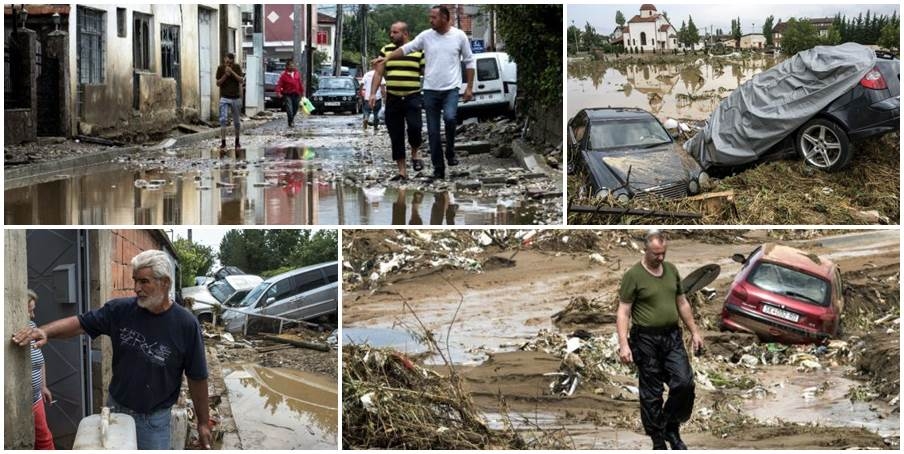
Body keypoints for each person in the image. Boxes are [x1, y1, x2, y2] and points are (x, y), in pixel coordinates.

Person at [12, 251, 212, 450]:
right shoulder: (120, 310)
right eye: (135, 281)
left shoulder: (186, 325)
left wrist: (203, 423)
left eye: (144, 282)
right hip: (115, 412)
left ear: (165, 283)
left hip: (154, 423)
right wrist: (45, 331)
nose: (136, 288)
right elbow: (81, 323)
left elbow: (197, 377)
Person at [616, 230, 703, 450]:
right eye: (656, 254)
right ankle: (658, 440)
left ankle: (670, 426)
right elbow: (623, 311)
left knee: (684, 382)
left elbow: (682, 303)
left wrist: (694, 332)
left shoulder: (672, 270)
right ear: (645, 249)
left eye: (663, 253)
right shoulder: (633, 275)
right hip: (645, 340)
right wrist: (624, 344)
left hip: (671, 336)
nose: (660, 258)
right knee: (652, 393)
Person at [378, 6, 475, 181]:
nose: (430, 21)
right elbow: (406, 49)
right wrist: (386, 58)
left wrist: (469, 87)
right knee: (432, 132)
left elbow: (469, 61)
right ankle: (439, 170)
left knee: (450, 118)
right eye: (430, 17)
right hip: (430, 90)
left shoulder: (459, 36)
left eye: (434, 17)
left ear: (445, 18)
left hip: (451, 89)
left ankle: (450, 152)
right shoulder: (426, 36)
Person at [370, 21, 426, 182]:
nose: (391, 35)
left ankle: (415, 153)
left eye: (395, 32)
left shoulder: (418, 51)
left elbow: (426, 72)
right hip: (393, 98)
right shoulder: (386, 50)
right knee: (396, 135)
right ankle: (402, 172)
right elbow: (378, 74)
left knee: (415, 128)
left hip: (413, 96)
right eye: (391, 32)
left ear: (405, 34)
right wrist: (373, 94)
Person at [27, 290, 55, 450]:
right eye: (29, 310)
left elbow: (40, 359)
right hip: (21, 403)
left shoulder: (32, 327)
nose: (33, 315)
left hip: (36, 398)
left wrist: (43, 386)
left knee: (44, 439)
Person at [216, 53, 244, 153]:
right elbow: (218, 83)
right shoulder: (220, 68)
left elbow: (241, 80)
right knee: (223, 119)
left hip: (235, 98)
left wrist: (232, 72)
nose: (229, 65)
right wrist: (225, 75)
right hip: (224, 97)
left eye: (231, 63)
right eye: (227, 62)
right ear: (224, 60)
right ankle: (223, 142)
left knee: (236, 122)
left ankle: (237, 142)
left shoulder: (237, 67)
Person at [275, 59, 304, 128]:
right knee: (289, 109)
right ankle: (290, 122)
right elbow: (279, 85)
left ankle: (291, 119)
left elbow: (300, 84)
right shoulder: (284, 75)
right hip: (288, 94)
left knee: (295, 108)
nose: (292, 67)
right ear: (287, 66)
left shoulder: (297, 73)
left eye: (293, 65)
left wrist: (302, 93)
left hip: (296, 94)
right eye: (291, 65)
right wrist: (278, 92)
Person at [361, 63, 385, 133]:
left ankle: (366, 118)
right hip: (377, 97)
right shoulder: (380, 75)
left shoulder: (366, 74)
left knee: (366, 110)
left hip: (368, 97)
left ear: (372, 66)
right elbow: (382, 87)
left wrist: (360, 93)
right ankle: (375, 127)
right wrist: (384, 97)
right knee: (376, 113)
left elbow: (362, 84)